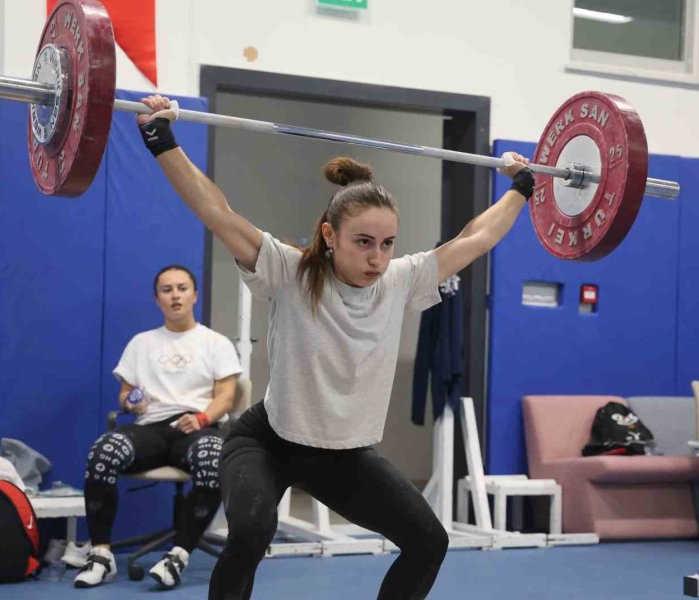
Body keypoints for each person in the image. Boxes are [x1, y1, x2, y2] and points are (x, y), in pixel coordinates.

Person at [136, 95, 533, 600]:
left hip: (343, 456)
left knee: (428, 541)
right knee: (253, 532)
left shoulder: (401, 281)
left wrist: (521, 190)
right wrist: (160, 138)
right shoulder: (289, 271)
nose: (377, 257)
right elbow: (217, 212)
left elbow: (476, 237)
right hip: (268, 444)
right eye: (363, 242)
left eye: (387, 243)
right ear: (330, 235)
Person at [74, 265, 242, 589]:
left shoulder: (215, 343)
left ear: (194, 294)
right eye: (167, 290)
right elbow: (125, 395)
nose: (175, 295)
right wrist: (130, 402)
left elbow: (226, 397)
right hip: (150, 427)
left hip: (195, 426)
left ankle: (178, 555)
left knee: (213, 457)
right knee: (102, 453)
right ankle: (101, 555)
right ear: (157, 299)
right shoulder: (141, 343)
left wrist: (203, 418)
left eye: (182, 288)